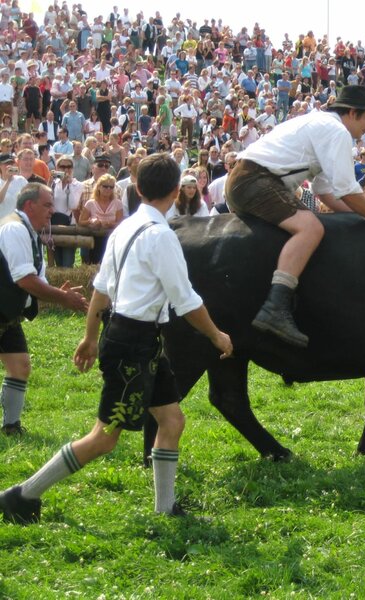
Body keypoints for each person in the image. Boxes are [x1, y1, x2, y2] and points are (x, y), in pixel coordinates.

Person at [0, 154, 233, 524]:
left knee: (171, 421)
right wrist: (217, 335)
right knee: (104, 437)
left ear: (137, 188)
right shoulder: (160, 236)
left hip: (134, 338)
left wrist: (91, 337)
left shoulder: (125, 228)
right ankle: (22, 493)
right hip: (133, 344)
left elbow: (101, 289)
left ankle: (165, 509)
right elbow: (186, 301)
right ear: (176, 192)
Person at [224, 85, 365, 347]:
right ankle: (275, 307)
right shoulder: (337, 132)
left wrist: (363, 215)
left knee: (311, 224)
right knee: (311, 229)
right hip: (255, 180)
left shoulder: (321, 124)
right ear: (352, 113)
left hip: (248, 178)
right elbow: (348, 191)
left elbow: (325, 192)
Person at [0, 183, 89, 436]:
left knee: (20, 367)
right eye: (48, 205)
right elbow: (25, 280)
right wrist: (63, 298)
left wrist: (56, 291)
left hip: (7, 313)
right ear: (29, 205)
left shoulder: (27, 229)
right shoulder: (15, 229)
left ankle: (11, 427)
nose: (53, 210)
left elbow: (33, 276)